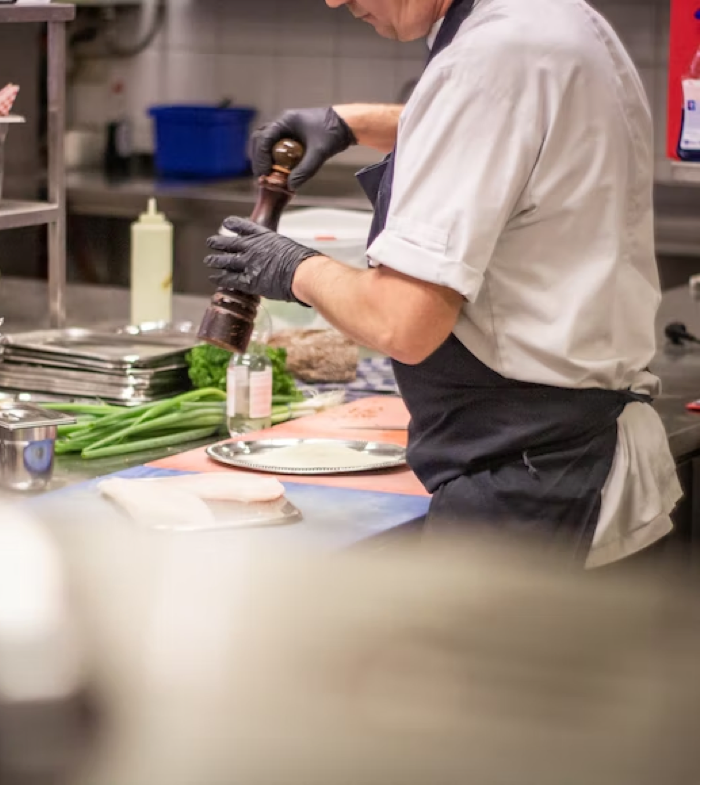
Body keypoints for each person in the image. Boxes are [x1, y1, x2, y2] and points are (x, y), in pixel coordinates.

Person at [203, 0, 683, 568]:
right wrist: (352, 124)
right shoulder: (549, 18)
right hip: (571, 457)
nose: (333, 0)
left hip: (526, 485)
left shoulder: (489, 59)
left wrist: (292, 268)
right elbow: (499, 127)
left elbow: (401, 323)